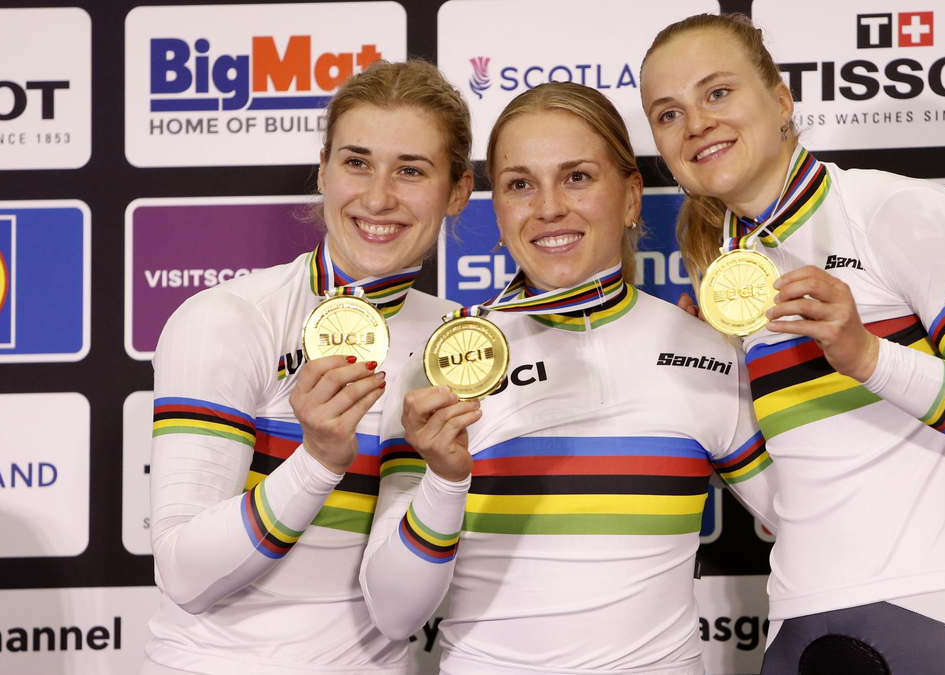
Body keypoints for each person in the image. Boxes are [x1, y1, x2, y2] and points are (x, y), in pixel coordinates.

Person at [639, 13, 945, 675]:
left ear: (781, 100)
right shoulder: (728, 277)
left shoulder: (894, 211)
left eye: (717, 93)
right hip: (794, 629)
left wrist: (868, 355)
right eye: (668, 113)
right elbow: (804, 494)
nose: (696, 122)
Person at [360, 81, 779, 675]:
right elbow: (395, 614)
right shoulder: (445, 362)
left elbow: (801, 520)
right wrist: (445, 482)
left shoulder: (705, 348)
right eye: (520, 184)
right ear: (498, 212)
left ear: (631, 197)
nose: (549, 207)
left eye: (577, 176)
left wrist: (774, 362)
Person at [142, 59, 473, 675]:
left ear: (457, 190)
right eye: (356, 162)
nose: (378, 197)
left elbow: (400, 615)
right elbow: (185, 575)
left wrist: (447, 481)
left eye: (411, 170)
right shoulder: (228, 319)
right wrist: (317, 462)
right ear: (322, 170)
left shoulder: (456, 342)